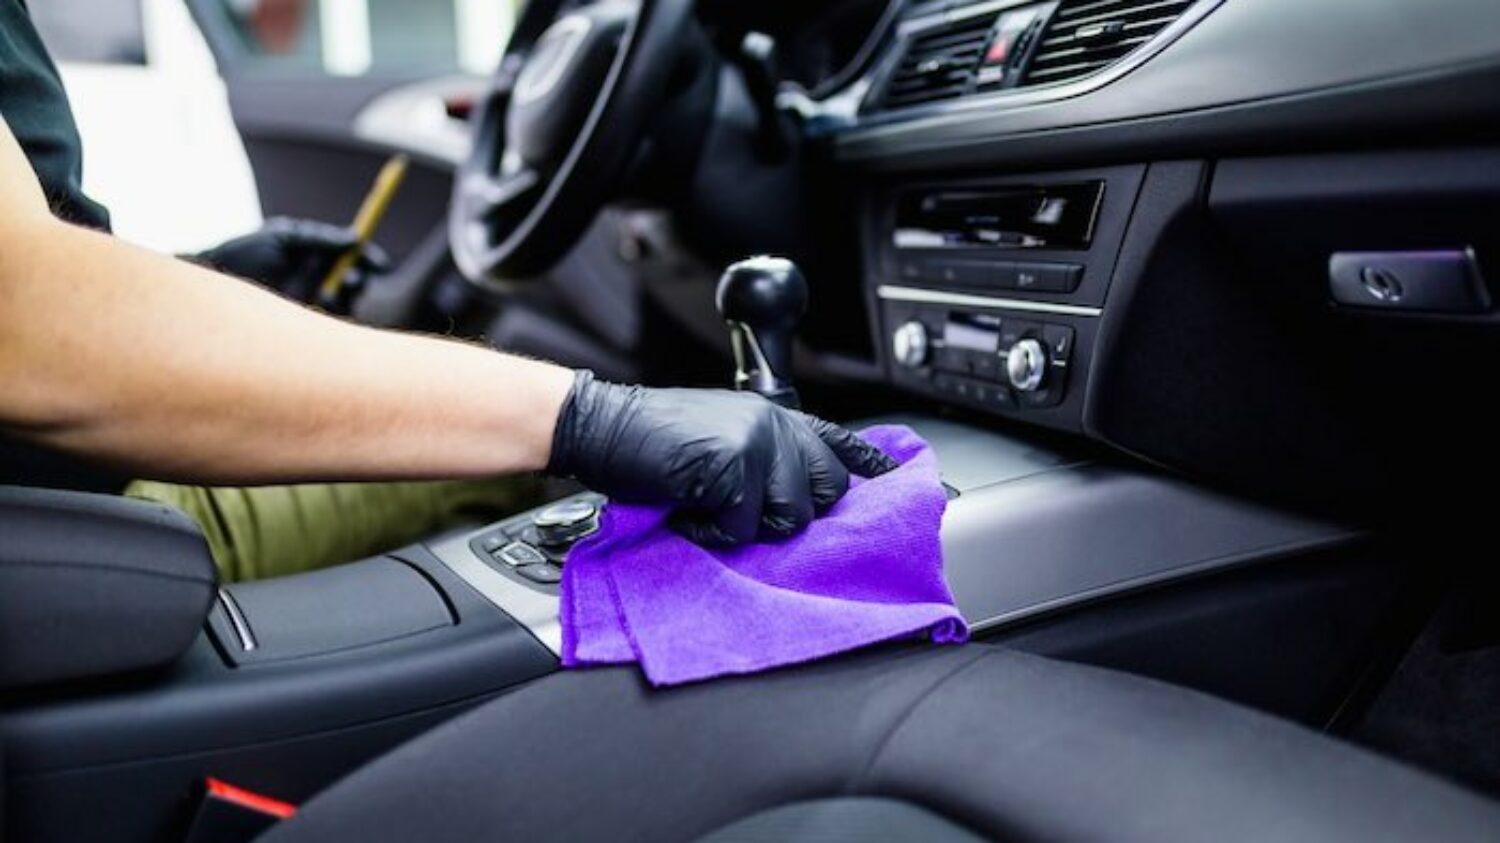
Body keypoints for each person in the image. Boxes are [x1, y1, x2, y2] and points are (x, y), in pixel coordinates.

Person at [0, 0, 891, 581]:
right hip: (80, 519)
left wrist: (211, 274)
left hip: (63, 497)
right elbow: (22, 317)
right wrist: (583, 419)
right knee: (514, 483)